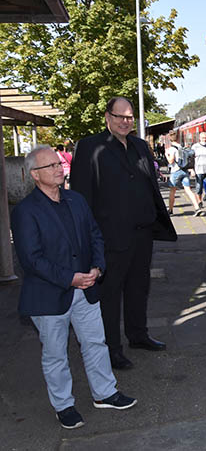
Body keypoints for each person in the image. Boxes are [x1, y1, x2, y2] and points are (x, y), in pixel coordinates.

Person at [12, 146, 137, 429]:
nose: (59, 168)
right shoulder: (25, 211)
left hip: (86, 289)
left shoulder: (76, 200)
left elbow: (95, 235)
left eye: (59, 163)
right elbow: (31, 260)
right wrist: (71, 278)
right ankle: (64, 405)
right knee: (55, 353)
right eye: (51, 166)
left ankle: (105, 393)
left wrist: (97, 267)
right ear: (34, 175)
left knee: (96, 343)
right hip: (49, 296)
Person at [71, 97, 177, 371]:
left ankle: (138, 335)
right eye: (120, 116)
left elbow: (150, 185)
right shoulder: (90, 147)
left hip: (142, 234)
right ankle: (111, 349)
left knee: (138, 288)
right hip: (109, 237)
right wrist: (89, 239)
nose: (125, 121)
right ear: (107, 117)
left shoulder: (141, 146)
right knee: (109, 294)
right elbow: (82, 197)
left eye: (129, 117)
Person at [165, 131, 201, 216]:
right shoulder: (181, 147)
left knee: (172, 191)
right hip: (184, 171)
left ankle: (170, 210)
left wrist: (166, 154)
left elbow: (171, 160)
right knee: (188, 190)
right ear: (177, 138)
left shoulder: (172, 149)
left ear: (170, 139)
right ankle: (197, 207)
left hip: (175, 171)